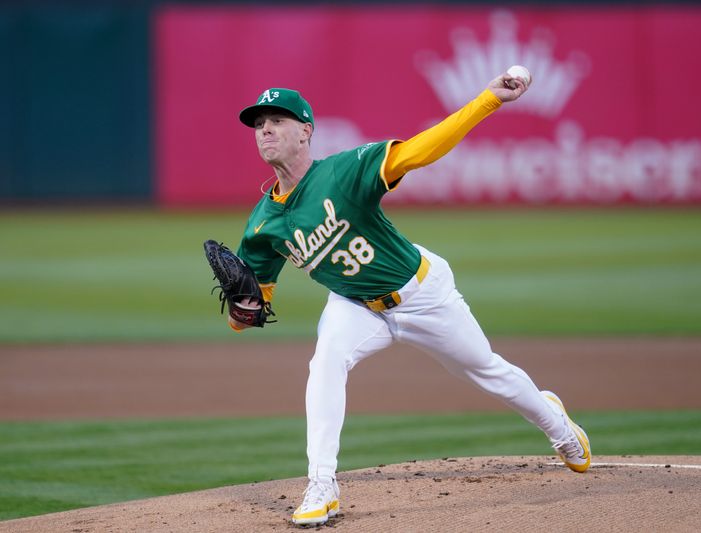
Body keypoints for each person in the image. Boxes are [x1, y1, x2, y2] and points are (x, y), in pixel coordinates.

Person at [230, 70, 591, 526]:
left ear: (305, 131)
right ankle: (322, 485)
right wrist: (242, 313)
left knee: (484, 369)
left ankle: (559, 427)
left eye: (277, 120)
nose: (265, 130)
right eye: (259, 123)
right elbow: (249, 310)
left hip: (421, 293)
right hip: (354, 304)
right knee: (324, 363)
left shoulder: (344, 171)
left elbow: (421, 150)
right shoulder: (262, 226)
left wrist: (487, 101)